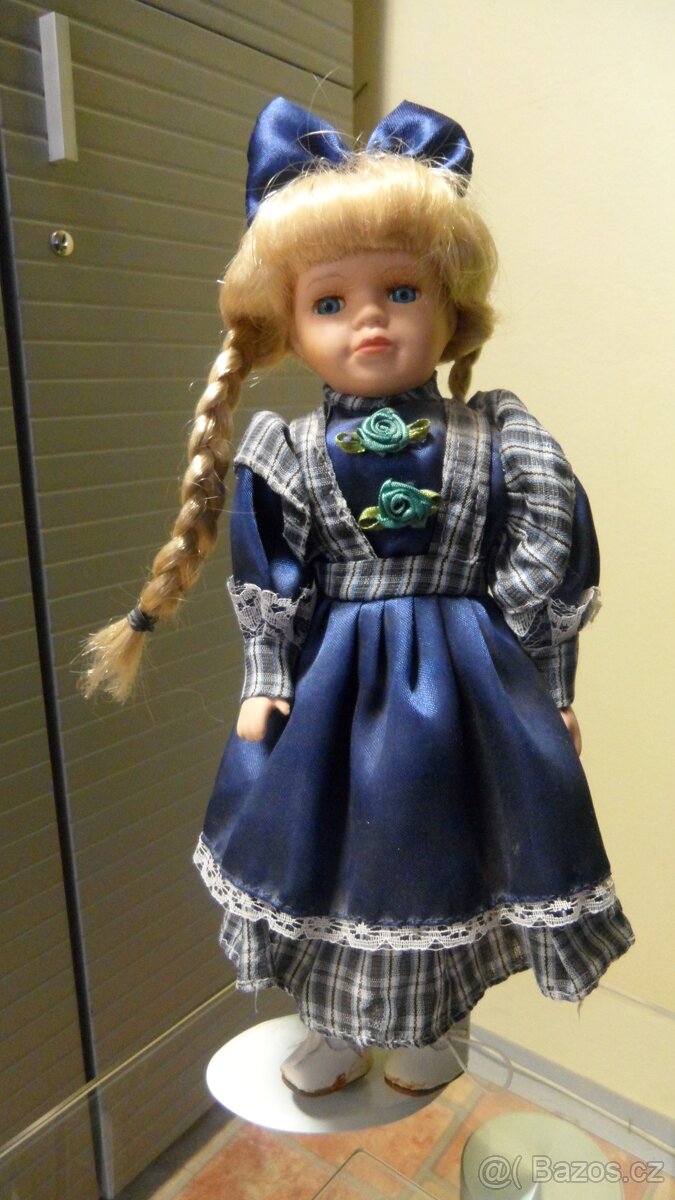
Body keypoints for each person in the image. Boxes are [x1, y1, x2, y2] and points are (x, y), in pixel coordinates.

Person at [82, 98, 634, 1097]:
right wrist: (265, 678)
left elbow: (551, 564)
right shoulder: (287, 452)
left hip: (468, 694)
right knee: (332, 855)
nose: (369, 318)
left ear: (450, 310)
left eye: (400, 290)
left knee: (447, 857)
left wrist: (549, 688)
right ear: (291, 328)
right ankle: (336, 1029)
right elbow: (272, 580)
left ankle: (430, 1025)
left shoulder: (500, 437)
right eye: (330, 303)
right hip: (335, 695)